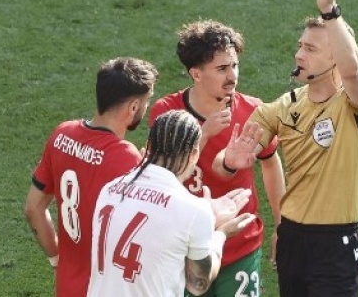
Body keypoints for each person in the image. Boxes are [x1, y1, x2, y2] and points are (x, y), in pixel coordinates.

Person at [216, 0, 358, 297]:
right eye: (300, 46)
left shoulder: (355, 103)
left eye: (311, 49)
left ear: (335, 58)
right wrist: (229, 161)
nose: (298, 54)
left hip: (336, 244)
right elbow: (224, 163)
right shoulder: (283, 106)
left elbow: (353, 71)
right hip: (292, 239)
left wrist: (330, 10)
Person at [149, 20, 285, 296]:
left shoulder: (253, 110)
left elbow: (271, 163)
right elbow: (159, 172)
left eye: (234, 65)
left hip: (239, 243)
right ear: (196, 74)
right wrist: (204, 133)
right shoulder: (168, 112)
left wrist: (282, 225)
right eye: (222, 69)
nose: (232, 76)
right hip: (184, 244)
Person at [24, 57, 158, 297]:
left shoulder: (62, 134)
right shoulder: (125, 157)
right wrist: (154, 173)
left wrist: (57, 259)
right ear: (134, 107)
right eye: (147, 102)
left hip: (67, 286)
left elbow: (33, 208)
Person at [87, 109, 257, 297]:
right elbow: (198, 284)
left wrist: (205, 213)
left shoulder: (110, 190)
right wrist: (221, 233)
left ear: (149, 146)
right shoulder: (193, 210)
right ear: (194, 154)